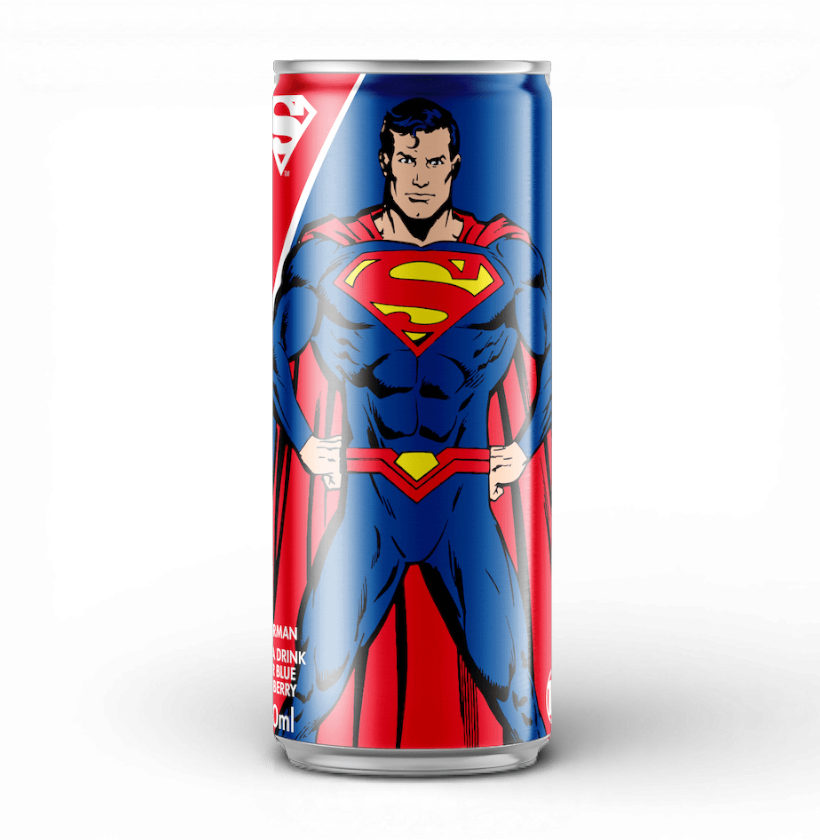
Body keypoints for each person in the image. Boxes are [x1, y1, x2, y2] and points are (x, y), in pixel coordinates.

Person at [272, 98, 551, 743]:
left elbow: (548, 353)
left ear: (455, 164)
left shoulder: (504, 254)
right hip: (371, 501)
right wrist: (305, 441)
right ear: (384, 164)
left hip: (461, 500)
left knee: (517, 693)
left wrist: (524, 444)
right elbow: (277, 348)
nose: (420, 176)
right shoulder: (329, 250)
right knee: (307, 695)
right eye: (406, 161)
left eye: (432, 161)